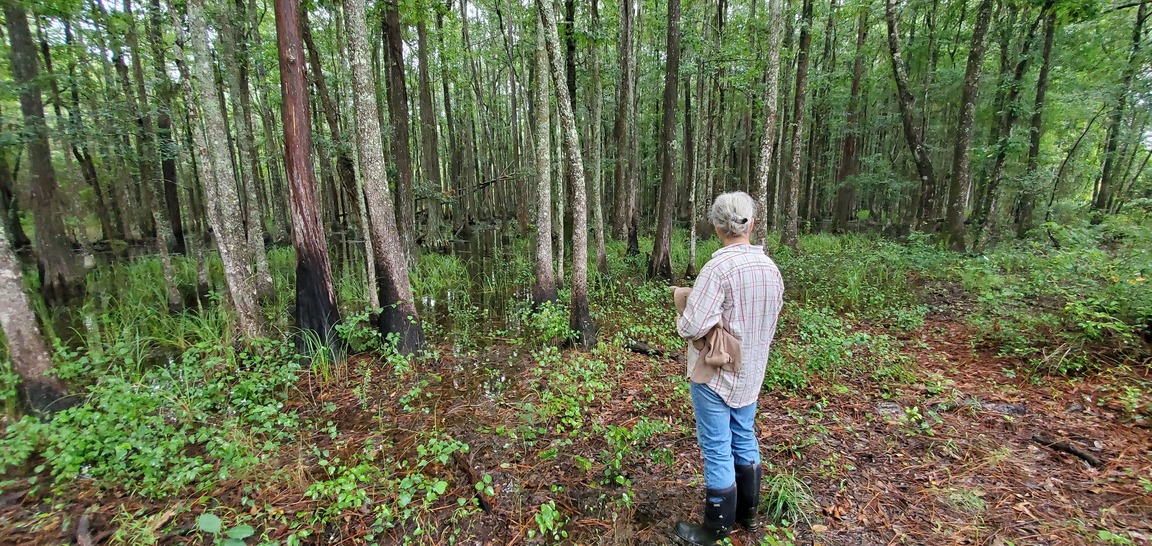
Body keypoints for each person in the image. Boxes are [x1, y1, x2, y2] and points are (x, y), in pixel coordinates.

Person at [673, 191, 785, 545]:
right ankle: (748, 515)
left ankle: (716, 527)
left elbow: (691, 326)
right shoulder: (770, 269)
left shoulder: (718, 268)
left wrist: (683, 305)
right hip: (752, 371)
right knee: (744, 435)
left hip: (716, 375)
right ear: (751, 224)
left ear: (718, 227)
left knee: (718, 445)